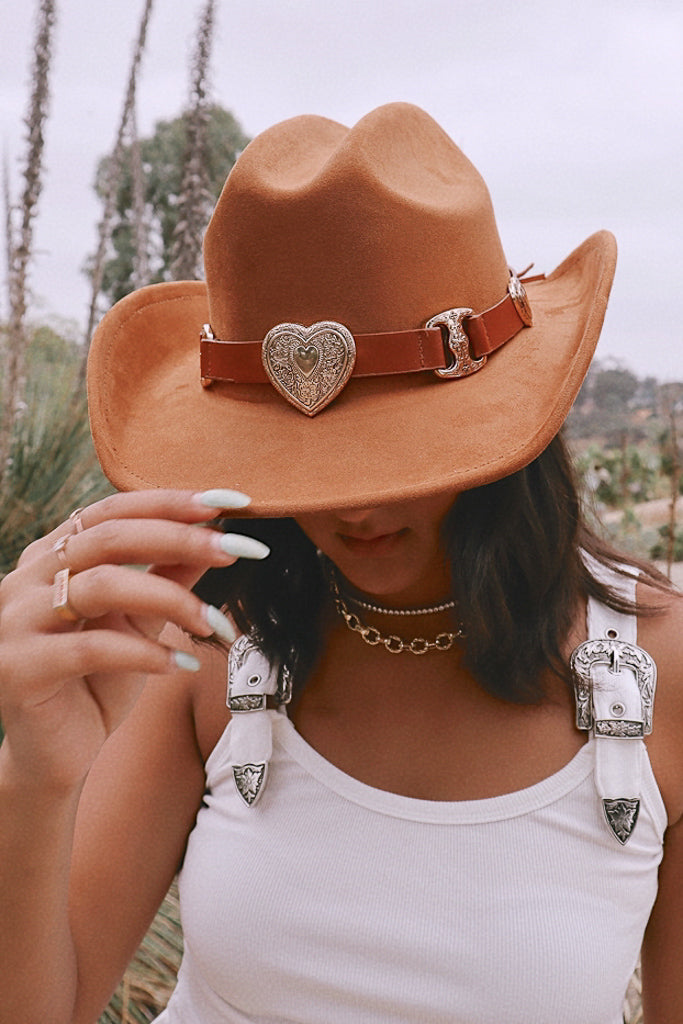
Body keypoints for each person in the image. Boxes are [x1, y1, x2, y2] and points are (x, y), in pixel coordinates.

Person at [0, 102, 681, 1024]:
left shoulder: (654, 675)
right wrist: (35, 781)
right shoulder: (203, 643)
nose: (352, 502)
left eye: (406, 450)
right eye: (303, 462)